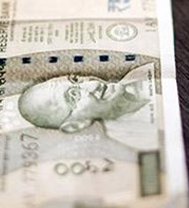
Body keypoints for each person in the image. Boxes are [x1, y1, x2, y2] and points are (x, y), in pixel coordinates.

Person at [18, 63, 154, 148]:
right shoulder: (134, 135)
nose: (93, 84)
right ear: (76, 124)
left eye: (75, 79)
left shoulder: (141, 74)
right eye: (74, 95)